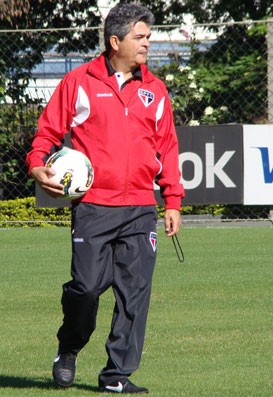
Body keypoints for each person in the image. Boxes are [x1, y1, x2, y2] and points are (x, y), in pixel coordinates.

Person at [26, 3, 184, 394]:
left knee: (134, 294)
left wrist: (174, 200)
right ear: (116, 41)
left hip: (140, 210)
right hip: (94, 208)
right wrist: (36, 165)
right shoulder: (78, 82)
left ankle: (116, 376)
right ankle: (69, 346)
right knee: (85, 288)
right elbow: (47, 134)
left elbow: (167, 148)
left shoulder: (155, 89)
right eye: (140, 37)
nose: (148, 43)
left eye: (149, 36)